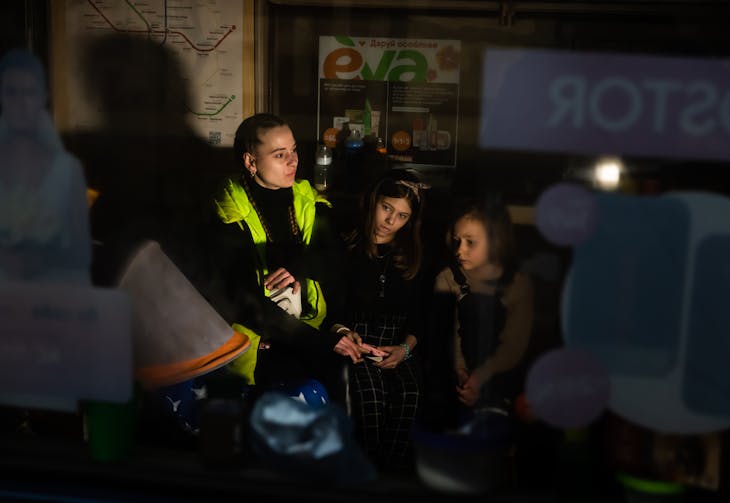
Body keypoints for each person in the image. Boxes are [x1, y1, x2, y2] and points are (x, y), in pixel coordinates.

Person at [207, 113, 367, 402]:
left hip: (306, 332)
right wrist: (322, 342)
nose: (293, 161)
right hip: (257, 343)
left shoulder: (306, 200)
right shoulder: (228, 212)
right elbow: (243, 302)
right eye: (280, 155)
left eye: (294, 150)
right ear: (250, 162)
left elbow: (337, 264)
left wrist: (299, 268)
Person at [329, 169, 429, 472]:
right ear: (373, 202)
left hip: (397, 343)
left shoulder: (413, 255)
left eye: (402, 216)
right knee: (372, 398)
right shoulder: (345, 245)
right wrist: (344, 332)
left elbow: (423, 315)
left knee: (410, 394)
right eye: (387, 208)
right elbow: (330, 303)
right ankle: (367, 472)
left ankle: (392, 476)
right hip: (358, 340)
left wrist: (405, 349)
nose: (390, 221)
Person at [434, 197, 534, 420]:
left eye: (471, 242)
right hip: (456, 380)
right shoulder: (447, 278)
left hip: (502, 379)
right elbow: (450, 333)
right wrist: (461, 373)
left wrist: (479, 378)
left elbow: (514, 346)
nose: (460, 250)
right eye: (456, 240)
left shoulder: (518, 283)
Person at [0, 48, 90, 284]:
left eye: (30, 92)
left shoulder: (69, 169)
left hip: (52, 296)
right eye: (12, 92)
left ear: (43, 97)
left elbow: (82, 252)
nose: (22, 103)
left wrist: (43, 258)